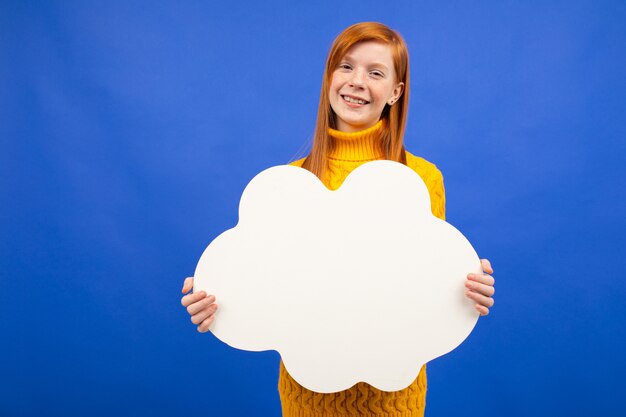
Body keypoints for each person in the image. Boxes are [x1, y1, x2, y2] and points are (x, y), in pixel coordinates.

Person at [181, 22, 495, 417]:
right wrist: (218, 296)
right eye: (345, 67)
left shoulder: (421, 180)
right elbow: (272, 283)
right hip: (306, 396)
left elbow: (422, 286)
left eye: (375, 72)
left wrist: (467, 291)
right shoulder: (291, 184)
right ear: (330, 77)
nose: (356, 82)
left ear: (396, 91)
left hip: (393, 398)